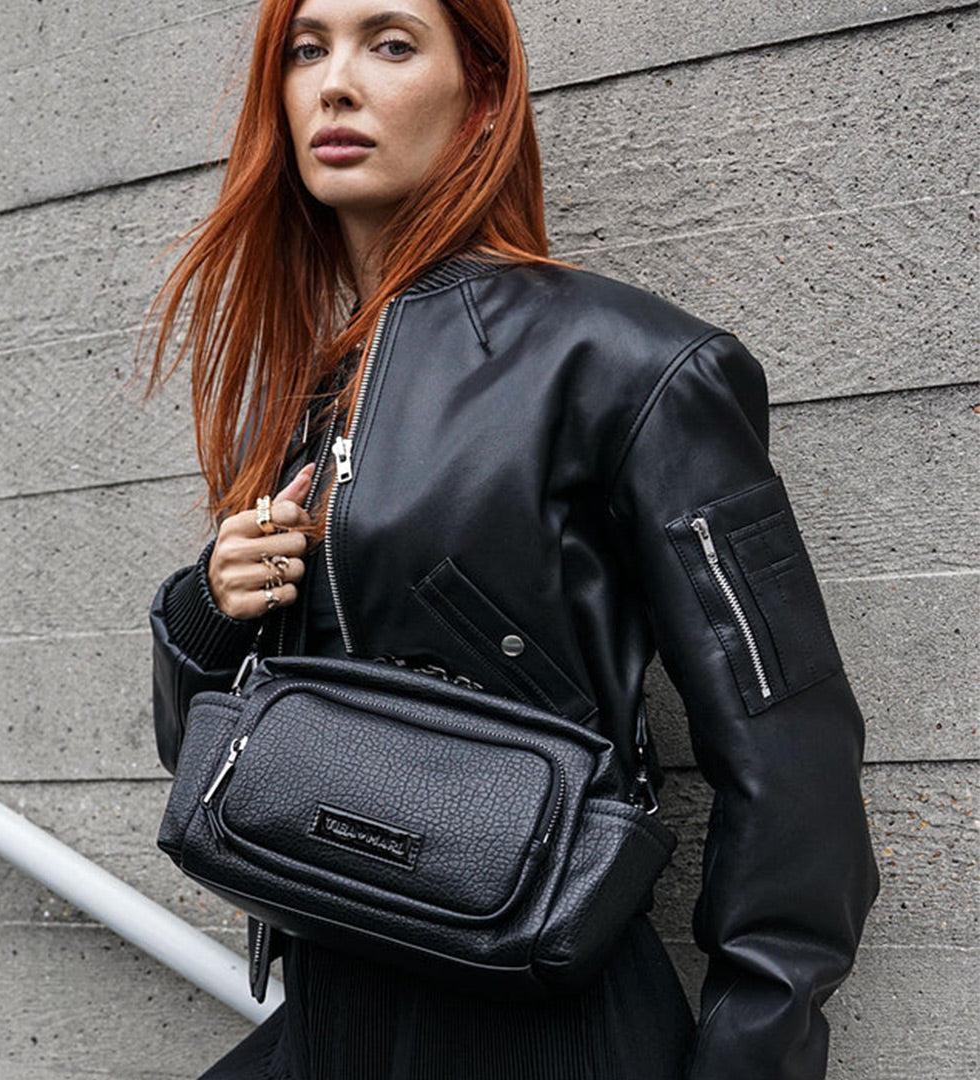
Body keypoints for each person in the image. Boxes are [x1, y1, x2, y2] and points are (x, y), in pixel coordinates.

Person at [139, 1, 881, 1078]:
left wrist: (751, 1057)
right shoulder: (310, 397)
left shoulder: (630, 365)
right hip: (337, 1010)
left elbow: (793, 754)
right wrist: (206, 606)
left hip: (544, 1031)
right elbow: (206, 757)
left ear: (482, 97)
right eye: (306, 49)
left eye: (390, 44)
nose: (334, 83)